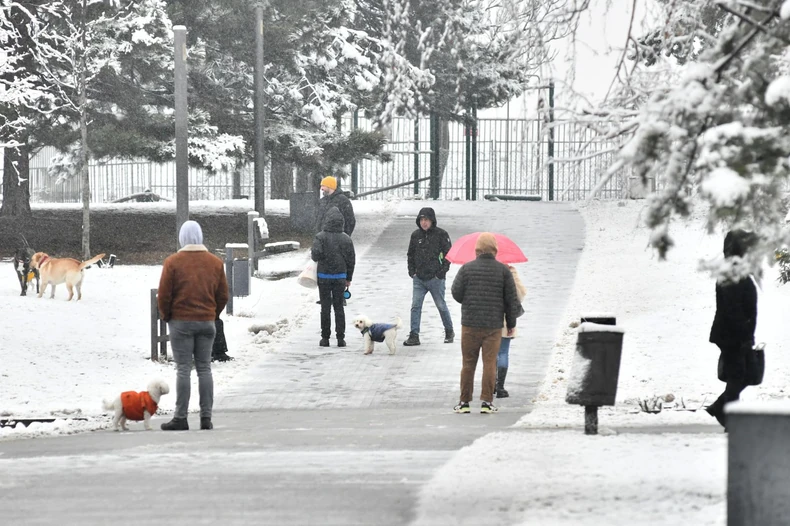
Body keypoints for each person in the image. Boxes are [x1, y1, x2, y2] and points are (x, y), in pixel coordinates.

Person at [157, 220, 229, 431]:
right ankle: (206, 418)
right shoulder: (215, 263)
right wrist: (211, 314)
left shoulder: (173, 262)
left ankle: (181, 417)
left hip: (181, 323)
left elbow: (164, 295)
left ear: (182, 238)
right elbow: (223, 295)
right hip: (206, 323)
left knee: (183, 369)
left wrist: (167, 316)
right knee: (204, 369)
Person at [451, 233, 521, 414]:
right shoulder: (503, 271)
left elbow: (456, 293)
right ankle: (487, 402)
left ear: (477, 249)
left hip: (470, 325)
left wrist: (470, 299)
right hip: (493, 326)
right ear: (495, 249)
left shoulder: (466, 269)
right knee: (490, 363)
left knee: (468, 363)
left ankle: (464, 402)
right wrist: (511, 323)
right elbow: (511, 300)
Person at [705, 229, 758, 429]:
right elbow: (733, 309)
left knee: (743, 374)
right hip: (732, 335)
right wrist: (744, 336)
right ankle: (728, 416)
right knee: (739, 375)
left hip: (734, 333)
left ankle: (722, 408)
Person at [404, 207, 454, 346]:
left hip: (435, 278)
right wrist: (412, 271)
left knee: (441, 305)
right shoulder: (415, 235)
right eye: (421, 219)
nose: (424, 222)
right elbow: (410, 254)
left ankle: (449, 330)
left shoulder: (441, 234)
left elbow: (448, 255)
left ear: (432, 220)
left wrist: (441, 272)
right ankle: (414, 334)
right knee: (415, 306)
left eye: (426, 219)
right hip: (419, 278)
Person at [312, 207, 355, 347]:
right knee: (339, 307)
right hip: (340, 277)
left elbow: (315, 255)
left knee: (325, 307)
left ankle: (325, 338)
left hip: (323, 276)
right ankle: (340, 338)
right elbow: (351, 260)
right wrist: (348, 278)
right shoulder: (346, 239)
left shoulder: (320, 236)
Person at [496, 265, 527, 398]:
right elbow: (520, 293)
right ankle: (500, 386)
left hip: (485, 317)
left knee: (490, 353)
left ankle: (489, 384)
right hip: (504, 317)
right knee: (503, 352)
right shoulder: (509, 270)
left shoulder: (481, 267)